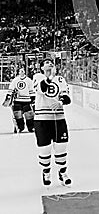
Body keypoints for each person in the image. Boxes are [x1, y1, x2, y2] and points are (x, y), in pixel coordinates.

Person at [33, 58, 72, 186]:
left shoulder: (60, 79)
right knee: (45, 149)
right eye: (46, 63)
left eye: (51, 62)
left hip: (59, 118)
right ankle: (46, 172)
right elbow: (41, 89)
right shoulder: (37, 77)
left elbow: (67, 97)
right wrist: (50, 77)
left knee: (61, 147)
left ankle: (62, 172)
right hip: (42, 119)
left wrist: (61, 102)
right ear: (41, 67)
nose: (50, 64)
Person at [6, 67, 35, 133]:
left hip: (27, 100)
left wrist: (33, 98)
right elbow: (11, 88)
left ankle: (31, 127)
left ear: (24, 72)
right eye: (20, 71)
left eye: (22, 71)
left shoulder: (28, 80)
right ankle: (19, 127)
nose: (21, 72)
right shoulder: (15, 80)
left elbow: (31, 89)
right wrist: (9, 96)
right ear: (18, 72)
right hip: (17, 100)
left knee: (29, 115)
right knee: (17, 114)